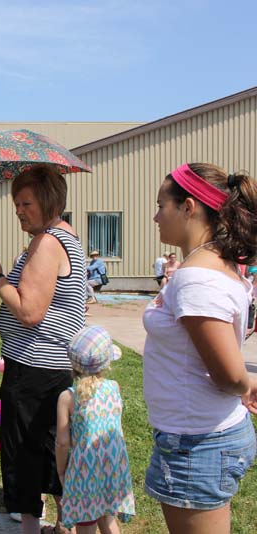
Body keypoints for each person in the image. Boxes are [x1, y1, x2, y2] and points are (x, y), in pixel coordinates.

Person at [143, 163, 257, 533]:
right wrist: (244, 385)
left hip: (197, 443)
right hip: (197, 436)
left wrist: (244, 384)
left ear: (188, 207)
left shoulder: (196, 279)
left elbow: (229, 374)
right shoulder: (209, 267)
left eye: (161, 206)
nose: (156, 217)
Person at [0, 163, 86, 534]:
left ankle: (30, 527)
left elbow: (29, 311)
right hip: (51, 367)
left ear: (48, 201)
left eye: (26, 203)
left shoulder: (47, 243)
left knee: (26, 454)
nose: (19, 211)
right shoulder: (65, 237)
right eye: (16, 204)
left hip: (33, 368)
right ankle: (64, 524)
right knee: (54, 448)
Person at [55, 325, 135, 533]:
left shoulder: (68, 397)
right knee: (108, 518)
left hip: (85, 467)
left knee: (86, 521)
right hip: (112, 464)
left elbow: (62, 442)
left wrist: (62, 471)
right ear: (106, 363)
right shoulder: (114, 387)